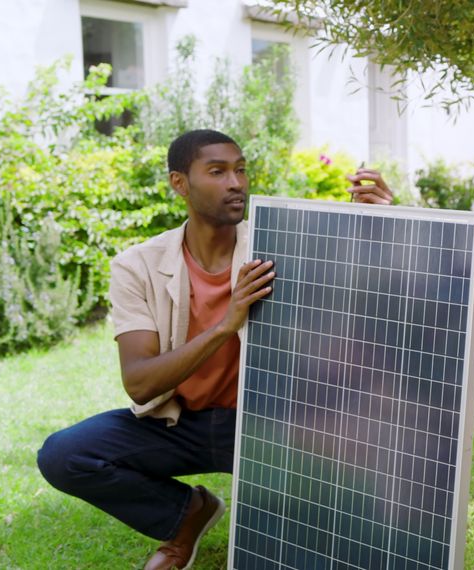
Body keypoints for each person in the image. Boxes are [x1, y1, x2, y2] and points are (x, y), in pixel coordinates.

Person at [36, 129, 392, 570]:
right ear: (179, 183)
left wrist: (382, 226)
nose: (236, 183)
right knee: (65, 454)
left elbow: (365, 289)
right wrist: (226, 326)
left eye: (240, 170)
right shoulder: (138, 266)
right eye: (218, 172)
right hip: (178, 423)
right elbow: (140, 383)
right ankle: (185, 517)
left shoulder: (278, 246)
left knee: (325, 539)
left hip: (267, 425)